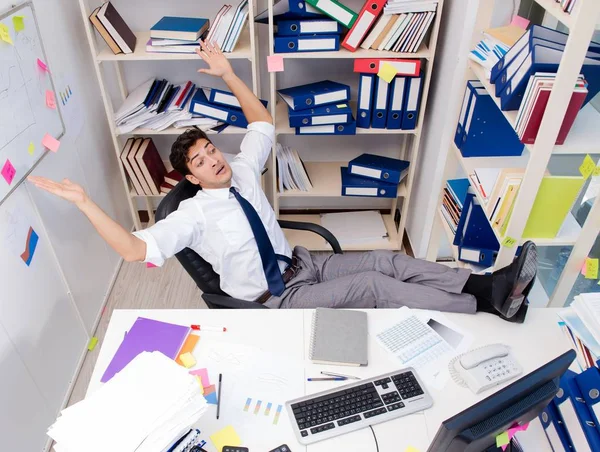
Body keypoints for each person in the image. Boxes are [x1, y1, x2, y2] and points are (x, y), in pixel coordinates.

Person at [28, 40, 537, 322]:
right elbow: (134, 253)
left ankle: (485, 282)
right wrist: (86, 202)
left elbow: (262, 123)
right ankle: (483, 304)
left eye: (212, 150)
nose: (214, 161)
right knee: (377, 285)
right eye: (202, 162)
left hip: (302, 263)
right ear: (189, 177)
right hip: (275, 299)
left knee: (392, 258)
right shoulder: (193, 215)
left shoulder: (242, 169)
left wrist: (228, 72)